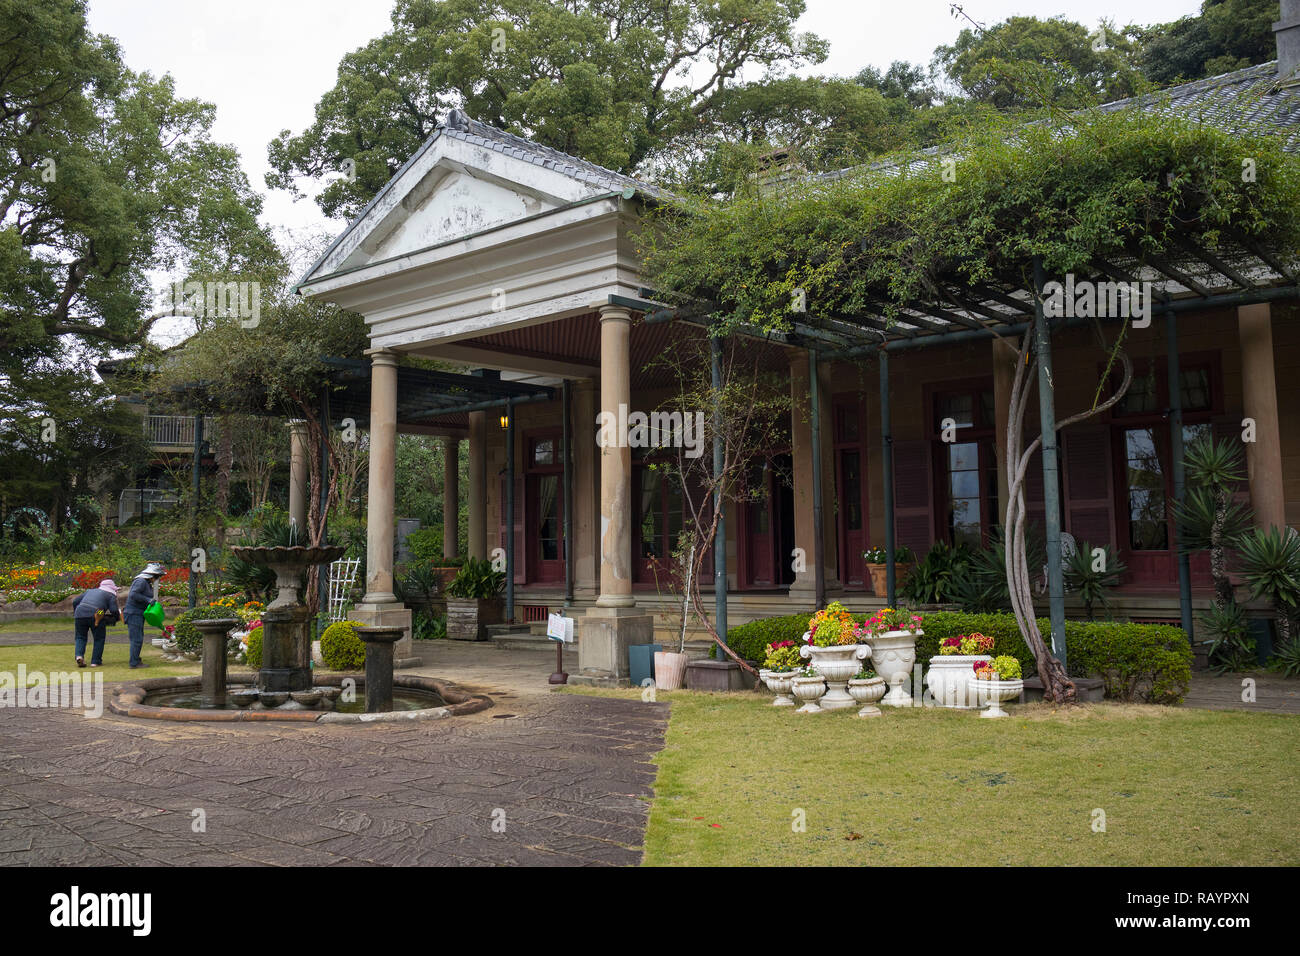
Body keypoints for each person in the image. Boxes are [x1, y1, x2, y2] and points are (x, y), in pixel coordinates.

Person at [123, 562, 166, 669]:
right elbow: (133, 594)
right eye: (157, 577)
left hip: (137, 613)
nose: (158, 579)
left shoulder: (145, 582)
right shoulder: (141, 581)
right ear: (152, 575)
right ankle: (134, 663)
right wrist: (148, 600)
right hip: (133, 613)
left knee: (138, 638)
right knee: (136, 639)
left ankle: (136, 660)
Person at [71, 579, 121, 667]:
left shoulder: (90, 591)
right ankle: (95, 661)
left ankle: (79, 656)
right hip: (98, 613)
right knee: (99, 638)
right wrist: (117, 618)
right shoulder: (110, 595)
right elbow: (113, 610)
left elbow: (75, 602)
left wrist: (76, 612)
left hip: (79, 612)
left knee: (80, 637)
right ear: (113, 589)